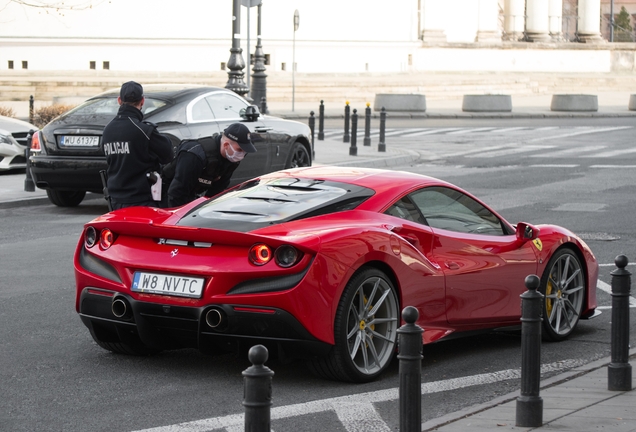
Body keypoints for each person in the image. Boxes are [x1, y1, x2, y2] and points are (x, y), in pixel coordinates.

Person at [103, 81, 173, 210]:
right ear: (142, 101)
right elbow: (168, 154)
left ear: (119, 100)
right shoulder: (143, 130)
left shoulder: (107, 130)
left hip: (115, 200)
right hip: (141, 200)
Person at [164, 123, 257, 207]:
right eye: (240, 150)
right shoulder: (196, 155)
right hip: (165, 194)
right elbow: (177, 192)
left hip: (191, 194)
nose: (242, 154)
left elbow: (216, 192)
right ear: (226, 145)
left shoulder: (231, 159)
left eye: (245, 151)